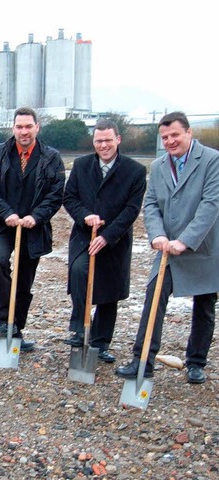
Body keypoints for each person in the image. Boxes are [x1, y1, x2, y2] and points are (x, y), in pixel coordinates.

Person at [116, 111, 219, 384]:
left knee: (205, 305)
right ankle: (143, 361)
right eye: (165, 137)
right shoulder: (160, 166)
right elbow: (150, 204)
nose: (170, 141)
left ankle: (196, 363)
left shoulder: (212, 160)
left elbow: (211, 204)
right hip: (167, 249)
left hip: (202, 246)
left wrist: (186, 240)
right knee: (154, 296)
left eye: (175, 135)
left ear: (188, 133)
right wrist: (157, 235)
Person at [0, 107, 65, 351]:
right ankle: (4, 320)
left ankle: (16, 328)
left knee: (24, 279)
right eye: (19, 126)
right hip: (1, 221)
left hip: (33, 227)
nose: (24, 131)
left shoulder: (51, 157)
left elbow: (55, 194)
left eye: (28, 126)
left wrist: (36, 217)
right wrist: (6, 213)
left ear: (37, 127)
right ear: (13, 128)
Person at [63, 119, 146, 363]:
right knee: (79, 272)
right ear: (94, 142)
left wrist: (108, 236)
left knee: (109, 290)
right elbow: (70, 198)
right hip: (84, 235)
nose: (103, 145)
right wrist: (84, 216)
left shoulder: (135, 171)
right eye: (99, 141)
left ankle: (100, 343)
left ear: (118, 139)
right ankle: (80, 327)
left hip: (116, 240)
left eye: (108, 140)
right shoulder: (81, 165)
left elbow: (132, 209)